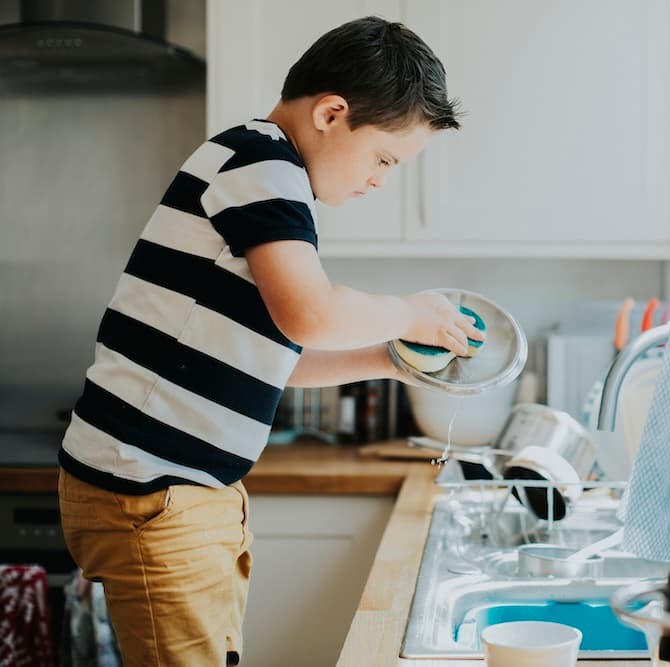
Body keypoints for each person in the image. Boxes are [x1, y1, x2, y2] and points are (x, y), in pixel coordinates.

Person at [57, 16, 480, 666]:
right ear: (332, 113)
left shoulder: (269, 176)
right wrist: (408, 313)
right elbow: (310, 314)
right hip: (153, 488)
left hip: (178, 490)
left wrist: (387, 360)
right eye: (384, 158)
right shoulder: (262, 163)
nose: (380, 180)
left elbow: (273, 357)